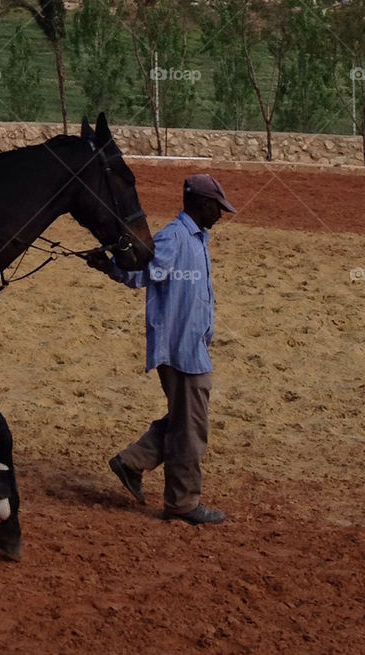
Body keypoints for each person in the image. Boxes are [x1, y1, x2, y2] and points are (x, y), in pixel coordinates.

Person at [87, 173, 235, 525]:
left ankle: (132, 461)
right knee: (191, 429)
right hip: (181, 350)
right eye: (218, 207)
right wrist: (110, 267)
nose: (221, 213)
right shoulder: (174, 237)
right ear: (202, 204)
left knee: (186, 419)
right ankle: (182, 503)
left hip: (190, 347)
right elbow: (144, 275)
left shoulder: (195, 238)